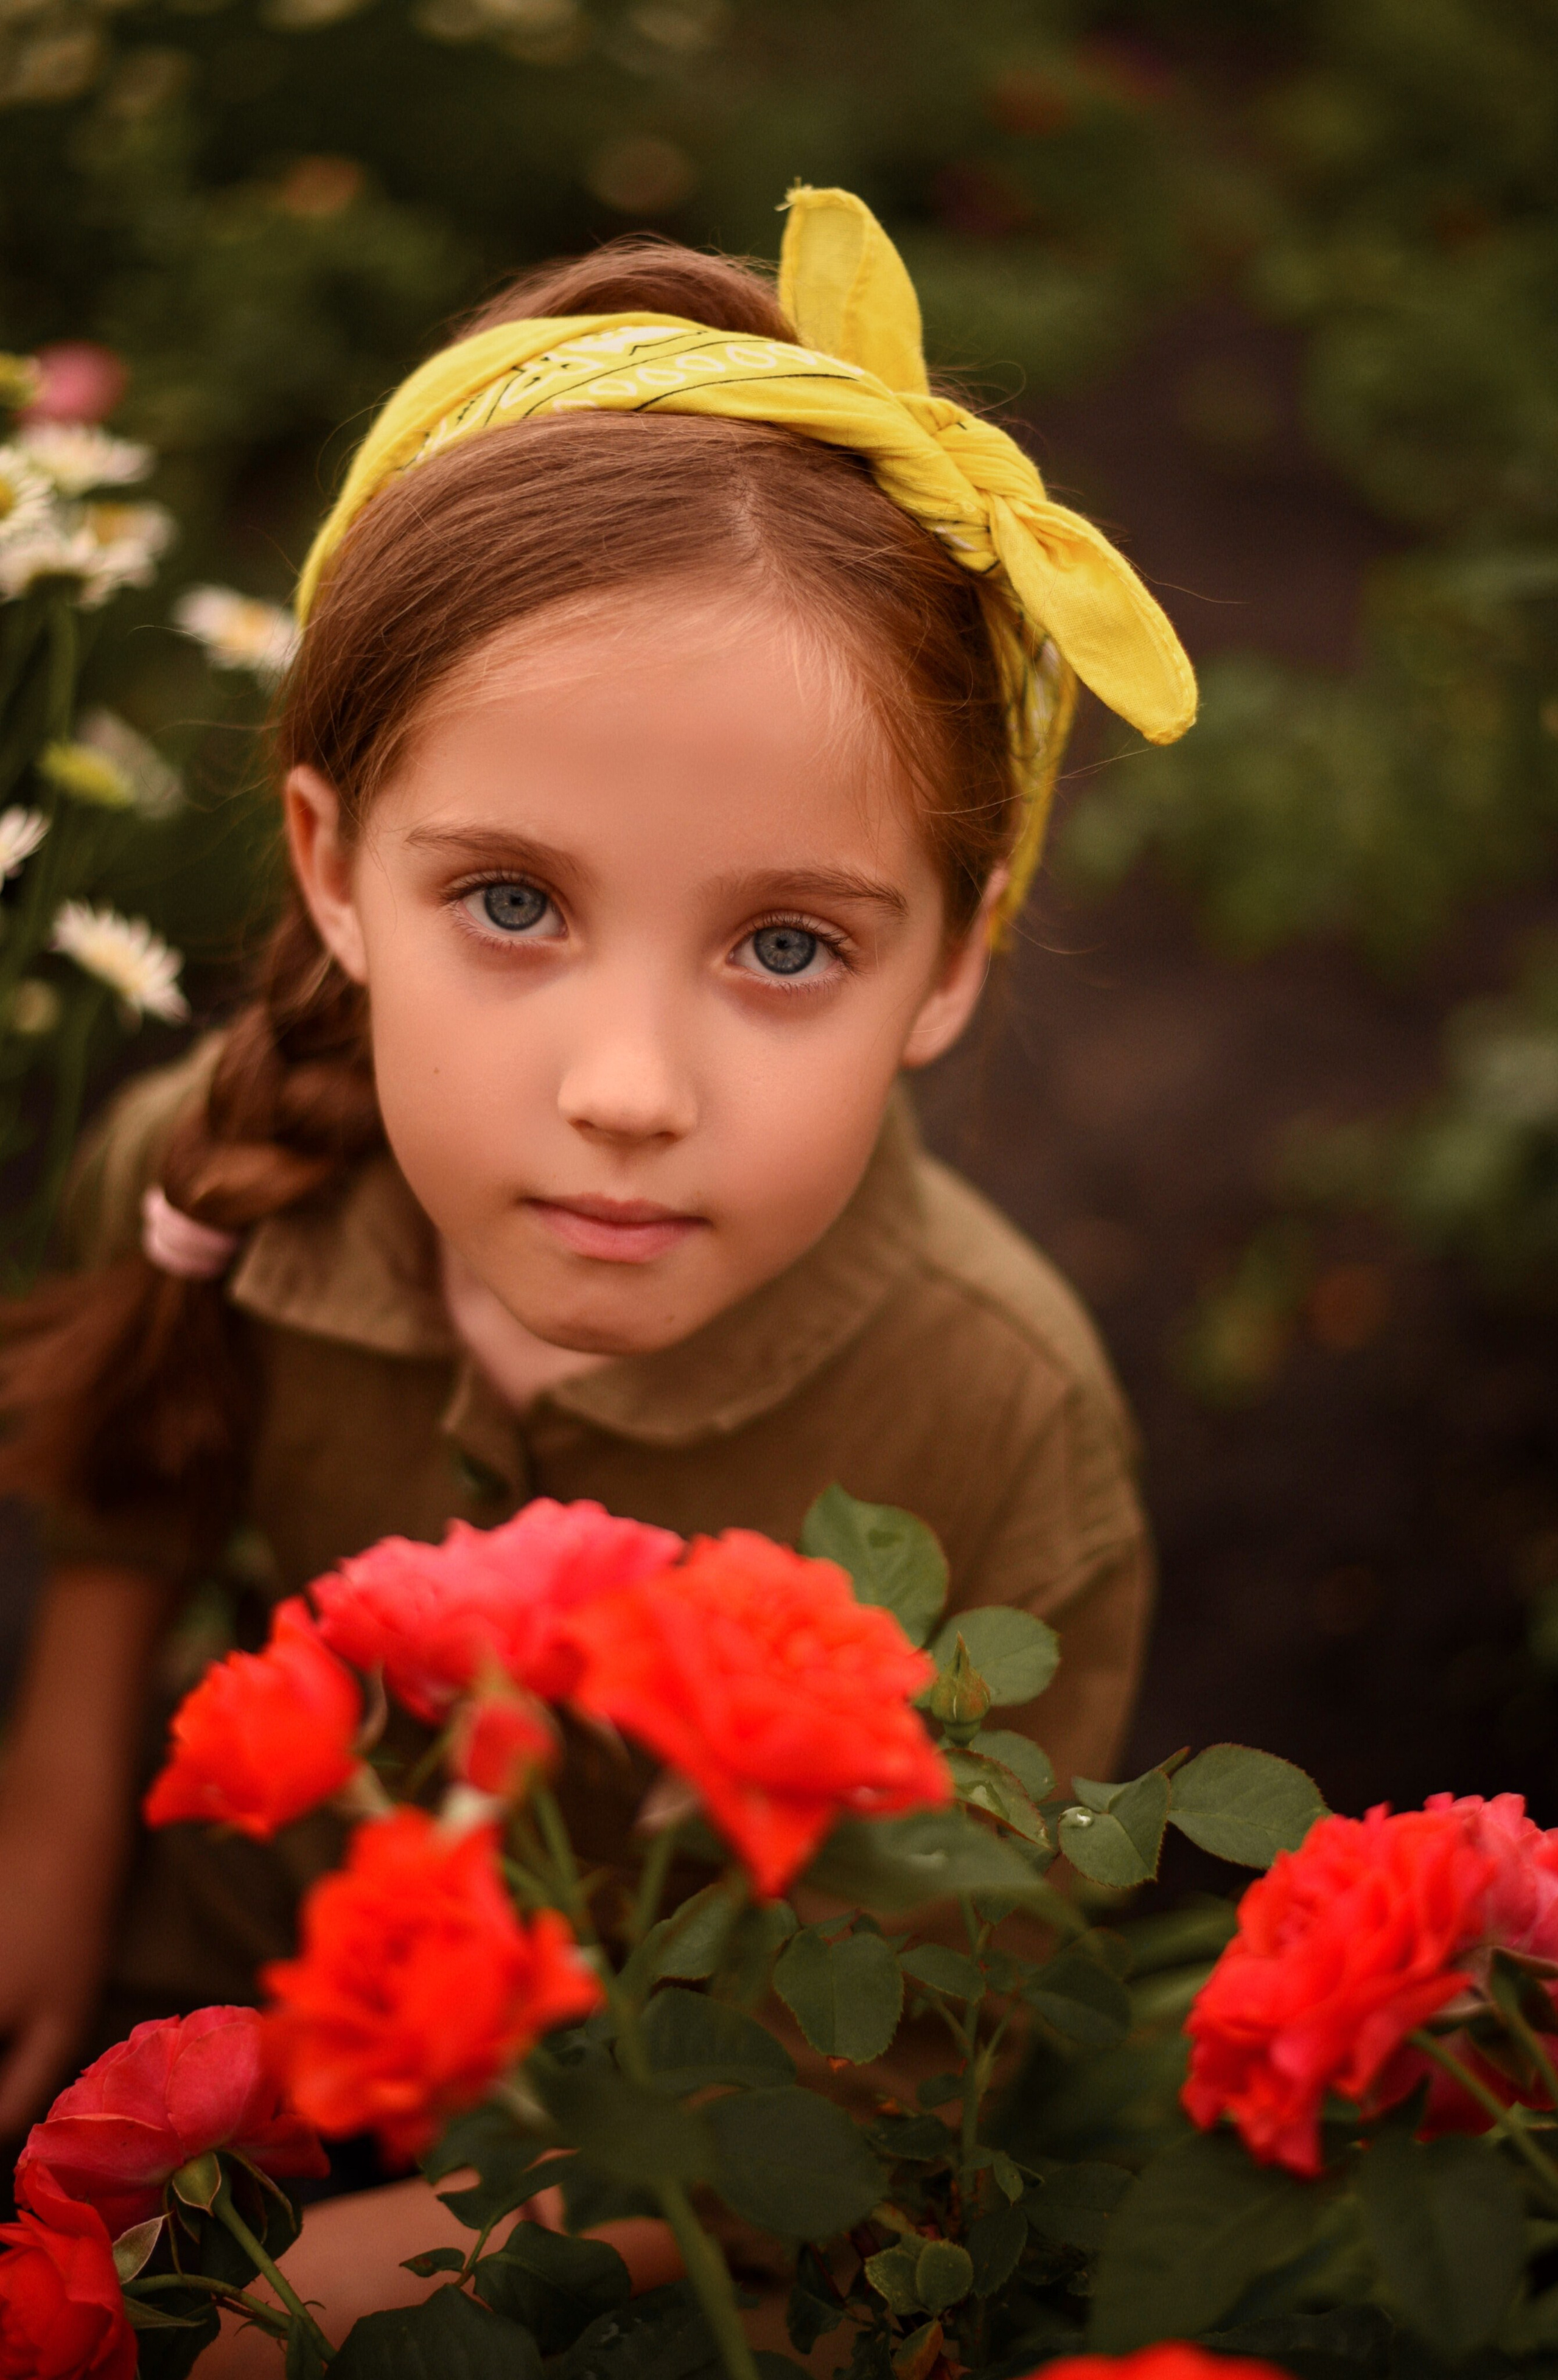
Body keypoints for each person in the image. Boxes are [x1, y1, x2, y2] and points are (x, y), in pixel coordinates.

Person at [0, 189, 1195, 2175]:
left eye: (788, 947)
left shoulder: (999, 1423)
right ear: (328, 864)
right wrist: (55, 1801)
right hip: (222, 2055)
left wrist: (360, 2298)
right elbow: (141, 1467)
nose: (630, 1094)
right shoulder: (208, 1171)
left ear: (956, 960)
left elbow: (879, 2104)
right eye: (512, 901)